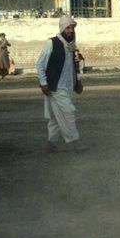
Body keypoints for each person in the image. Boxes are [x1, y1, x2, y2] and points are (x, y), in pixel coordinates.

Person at [37, 15, 83, 152]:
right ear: (62, 28)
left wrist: (77, 82)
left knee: (55, 116)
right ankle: (76, 143)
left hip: (67, 86)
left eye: (72, 28)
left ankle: (52, 144)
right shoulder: (51, 43)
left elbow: (72, 67)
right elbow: (40, 64)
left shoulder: (70, 45)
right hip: (55, 87)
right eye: (68, 28)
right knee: (69, 112)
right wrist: (43, 83)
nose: (71, 31)